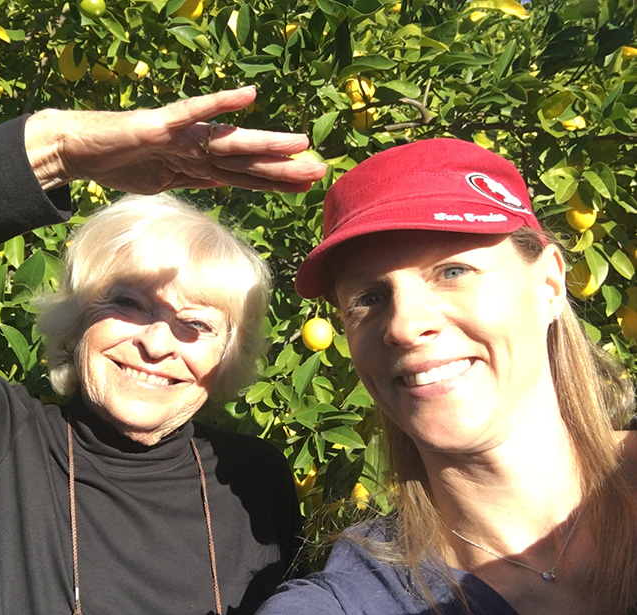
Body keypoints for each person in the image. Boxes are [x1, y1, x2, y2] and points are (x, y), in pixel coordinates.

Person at [0, 87, 328, 615]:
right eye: (129, 304)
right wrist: (57, 151)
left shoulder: (252, 481)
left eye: (195, 325)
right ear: (77, 320)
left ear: (226, 356)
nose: (155, 344)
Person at [257, 138, 637, 615]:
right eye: (369, 298)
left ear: (550, 285)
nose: (403, 325)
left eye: (454, 270)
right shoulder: (352, 601)